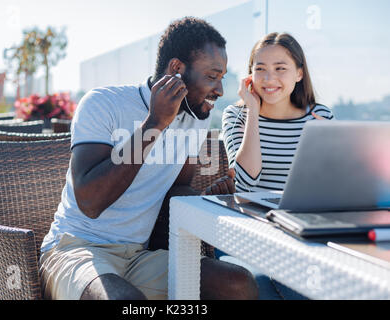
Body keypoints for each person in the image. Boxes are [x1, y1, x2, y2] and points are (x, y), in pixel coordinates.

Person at [39, 17, 259, 300]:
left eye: (222, 77)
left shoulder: (194, 119)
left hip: (139, 257)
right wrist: (155, 123)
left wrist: (206, 198)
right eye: (211, 76)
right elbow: (90, 202)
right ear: (177, 70)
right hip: (76, 250)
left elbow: (176, 190)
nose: (219, 90)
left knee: (237, 285)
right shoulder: (103, 103)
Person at [208, 32, 334, 299]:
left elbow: (329, 188)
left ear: (299, 73)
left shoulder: (319, 116)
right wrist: (253, 110)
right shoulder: (236, 115)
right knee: (278, 284)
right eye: (260, 69)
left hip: (302, 232)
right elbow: (246, 183)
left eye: (280, 69)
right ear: (250, 75)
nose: (268, 78)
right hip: (250, 231)